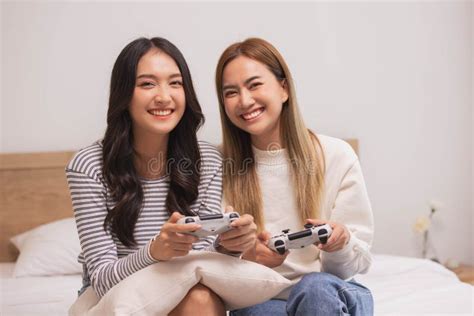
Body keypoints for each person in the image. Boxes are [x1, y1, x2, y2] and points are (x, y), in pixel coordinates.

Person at [66, 37, 256, 316]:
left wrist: (230, 247)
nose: (164, 96)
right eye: (147, 83)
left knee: (200, 297)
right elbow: (102, 279)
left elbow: (203, 262)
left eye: (175, 83)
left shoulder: (207, 159)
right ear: (124, 94)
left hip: (188, 289)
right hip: (117, 294)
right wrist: (155, 251)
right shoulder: (88, 165)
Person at [215, 37, 375, 315]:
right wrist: (246, 258)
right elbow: (210, 265)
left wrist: (340, 244)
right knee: (256, 312)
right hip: (264, 297)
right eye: (231, 92)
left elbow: (353, 266)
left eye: (254, 85)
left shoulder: (336, 155)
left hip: (332, 290)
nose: (244, 100)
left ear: (284, 88)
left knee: (314, 289)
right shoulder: (216, 167)